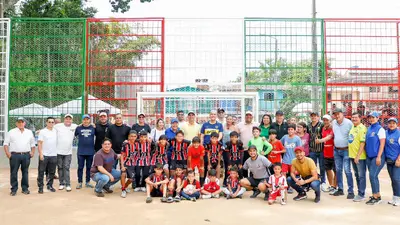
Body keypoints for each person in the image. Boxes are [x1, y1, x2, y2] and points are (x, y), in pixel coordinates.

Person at [3, 117, 35, 196]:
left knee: (25, 172)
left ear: (24, 123)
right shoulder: (11, 132)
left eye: (22, 122)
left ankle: (25, 189)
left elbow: (32, 144)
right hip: (15, 155)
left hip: (26, 155)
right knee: (14, 172)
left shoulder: (29, 132)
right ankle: (14, 189)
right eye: (19, 122)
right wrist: (8, 153)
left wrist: (32, 152)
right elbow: (6, 144)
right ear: (16, 123)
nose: (21, 124)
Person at [332, 108, 354, 199]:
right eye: (335, 114)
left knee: (347, 170)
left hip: (346, 150)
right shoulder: (334, 123)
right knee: (338, 170)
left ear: (342, 114)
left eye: (338, 114)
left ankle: (351, 191)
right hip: (336, 150)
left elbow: (352, 136)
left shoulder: (349, 123)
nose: (337, 116)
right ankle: (340, 189)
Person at [365, 112, 386, 205]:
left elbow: (382, 144)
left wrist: (379, 156)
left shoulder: (380, 129)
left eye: (373, 117)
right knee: (373, 176)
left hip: (377, 156)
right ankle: (377, 195)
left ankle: (376, 197)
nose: (371, 119)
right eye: (370, 117)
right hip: (369, 156)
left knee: (372, 175)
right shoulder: (369, 128)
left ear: (377, 118)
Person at [54, 114, 78, 192]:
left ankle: (68, 184)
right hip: (58, 151)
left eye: (69, 119)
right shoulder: (58, 126)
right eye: (66, 119)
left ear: (72, 120)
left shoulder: (74, 126)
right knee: (60, 168)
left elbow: (83, 125)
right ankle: (61, 184)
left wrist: (92, 124)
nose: (68, 120)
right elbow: (49, 128)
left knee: (66, 168)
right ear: (64, 119)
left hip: (68, 152)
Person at [348, 112, 367, 202]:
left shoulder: (362, 128)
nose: (354, 119)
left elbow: (362, 143)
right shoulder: (353, 127)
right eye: (353, 117)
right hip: (352, 155)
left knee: (361, 176)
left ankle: (361, 194)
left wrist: (358, 156)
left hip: (359, 157)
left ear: (360, 118)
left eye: (356, 117)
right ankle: (359, 192)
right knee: (357, 175)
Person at [316, 115, 336, 194]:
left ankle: (335, 185)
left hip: (333, 151)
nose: (325, 122)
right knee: (328, 169)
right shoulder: (323, 128)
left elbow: (329, 137)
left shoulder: (333, 128)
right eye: (324, 120)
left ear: (330, 121)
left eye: (327, 120)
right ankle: (331, 185)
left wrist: (320, 140)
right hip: (326, 151)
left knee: (335, 170)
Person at [74, 114, 96, 189]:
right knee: (80, 167)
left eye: (87, 119)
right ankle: (80, 182)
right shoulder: (78, 128)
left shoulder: (93, 128)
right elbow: (74, 134)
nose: (86, 121)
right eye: (84, 119)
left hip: (90, 151)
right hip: (81, 151)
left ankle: (87, 182)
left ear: (89, 120)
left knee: (89, 167)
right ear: (82, 120)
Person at [37, 117, 58, 194]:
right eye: (49, 122)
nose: (51, 123)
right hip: (44, 155)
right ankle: (40, 187)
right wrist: (41, 154)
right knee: (41, 172)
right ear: (46, 123)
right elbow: (39, 143)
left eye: (52, 122)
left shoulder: (55, 131)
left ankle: (50, 186)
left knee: (52, 172)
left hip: (53, 155)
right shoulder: (42, 132)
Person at [200, 110, 223, 176]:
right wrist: (201, 145)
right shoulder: (205, 124)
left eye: (214, 114)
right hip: (207, 148)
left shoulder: (219, 125)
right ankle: (205, 181)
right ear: (209, 115)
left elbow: (220, 135)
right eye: (211, 114)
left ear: (216, 116)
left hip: (216, 148)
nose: (213, 115)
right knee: (206, 165)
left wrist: (215, 142)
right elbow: (202, 136)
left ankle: (216, 181)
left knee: (217, 166)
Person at [237, 111, 258, 177]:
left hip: (253, 150)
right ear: (245, 116)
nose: (248, 116)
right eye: (247, 115)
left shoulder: (256, 124)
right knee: (244, 165)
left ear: (252, 117)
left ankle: (253, 179)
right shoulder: (239, 125)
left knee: (253, 165)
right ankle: (245, 179)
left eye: (250, 115)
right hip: (243, 149)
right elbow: (236, 135)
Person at [307, 112, 325, 187]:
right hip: (312, 149)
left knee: (322, 166)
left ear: (318, 117)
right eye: (312, 116)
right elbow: (308, 135)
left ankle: (323, 181)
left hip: (321, 148)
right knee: (313, 166)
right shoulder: (308, 125)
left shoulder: (322, 125)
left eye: (315, 116)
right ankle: (314, 180)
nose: (313, 117)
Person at [385, 117, 400, 206]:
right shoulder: (386, 133)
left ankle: (398, 198)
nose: (391, 125)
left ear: (397, 124)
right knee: (392, 180)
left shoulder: (398, 134)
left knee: (396, 179)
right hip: (389, 160)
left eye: (393, 123)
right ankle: (394, 197)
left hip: (396, 160)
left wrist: (399, 159)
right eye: (390, 123)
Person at [120, 130, 138, 198]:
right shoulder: (125, 144)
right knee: (123, 174)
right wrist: (122, 165)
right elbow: (122, 155)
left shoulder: (137, 143)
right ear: (128, 136)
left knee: (131, 179)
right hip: (125, 162)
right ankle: (123, 190)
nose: (133, 138)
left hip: (132, 163)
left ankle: (125, 186)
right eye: (131, 136)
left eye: (134, 136)